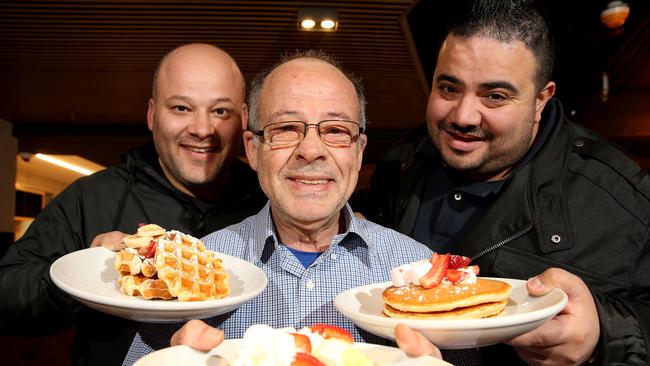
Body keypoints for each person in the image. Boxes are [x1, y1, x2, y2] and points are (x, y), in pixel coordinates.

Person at [362, 0, 650, 364]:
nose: (463, 116)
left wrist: (604, 333)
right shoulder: (402, 159)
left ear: (541, 99)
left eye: (495, 96)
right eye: (449, 88)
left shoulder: (624, 198)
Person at [120, 51, 434, 365]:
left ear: (359, 151)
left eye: (336, 130)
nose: (311, 151)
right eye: (285, 129)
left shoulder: (421, 269)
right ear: (252, 149)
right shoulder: (196, 268)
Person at [0, 43, 265, 365]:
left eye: (221, 111)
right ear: (153, 114)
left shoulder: (269, 199)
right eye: (181, 108)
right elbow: (7, 297)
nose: (202, 129)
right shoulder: (92, 196)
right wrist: (79, 273)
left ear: (244, 119)